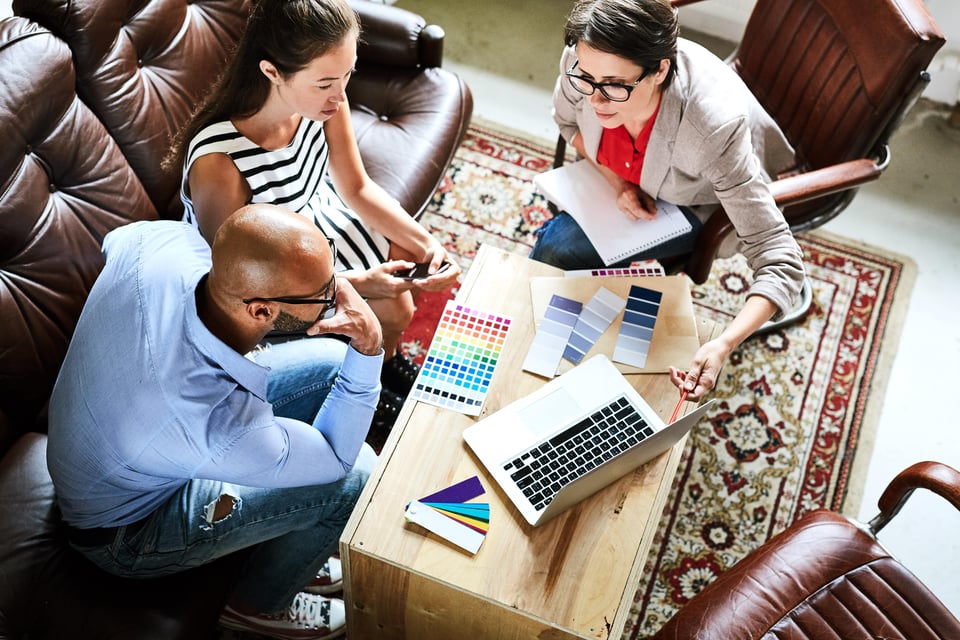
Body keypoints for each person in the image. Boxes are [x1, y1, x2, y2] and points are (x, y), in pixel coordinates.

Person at [47, 203, 383, 639]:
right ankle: (257, 605)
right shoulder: (213, 421)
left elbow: (117, 243)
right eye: (323, 293)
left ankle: (290, 544)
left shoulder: (165, 242)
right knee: (357, 480)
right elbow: (338, 460)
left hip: (125, 445)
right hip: (122, 534)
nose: (337, 294)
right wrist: (371, 344)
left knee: (334, 360)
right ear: (261, 311)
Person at [164, 0, 460, 425]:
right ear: (272, 73)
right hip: (268, 273)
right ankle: (369, 395)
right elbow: (234, 285)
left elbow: (357, 188)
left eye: (347, 76)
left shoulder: (324, 104)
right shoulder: (220, 165)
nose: (341, 97)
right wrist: (359, 282)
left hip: (317, 221)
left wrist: (428, 245)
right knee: (388, 305)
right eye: (325, 83)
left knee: (400, 310)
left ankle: (380, 371)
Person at [530, 0, 805, 401]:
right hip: (630, 180)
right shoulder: (584, 59)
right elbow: (567, 121)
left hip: (693, 197)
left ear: (660, 69)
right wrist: (618, 180)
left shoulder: (711, 128)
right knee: (557, 253)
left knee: (558, 250)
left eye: (615, 85)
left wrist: (723, 343)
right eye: (586, 79)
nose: (596, 101)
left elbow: (780, 258)